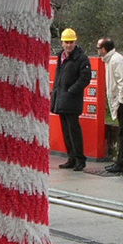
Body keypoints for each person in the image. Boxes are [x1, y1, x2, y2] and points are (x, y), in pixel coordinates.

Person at [51, 28, 92, 171]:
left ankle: (80, 159)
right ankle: (71, 158)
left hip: (71, 100)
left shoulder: (81, 58)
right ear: (62, 42)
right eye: (66, 42)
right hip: (61, 98)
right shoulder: (60, 57)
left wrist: (71, 91)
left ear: (75, 42)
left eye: (71, 42)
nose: (68, 45)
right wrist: (56, 92)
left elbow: (85, 78)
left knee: (74, 131)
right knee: (66, 132)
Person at [97, 37, 123, 174]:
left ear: (104, 49)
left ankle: (122, 163)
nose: (98, 51)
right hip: (122, 102)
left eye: (98, 48)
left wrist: (122, 102)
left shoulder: (115, 61)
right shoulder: (111, 60)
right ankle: (121, 161)